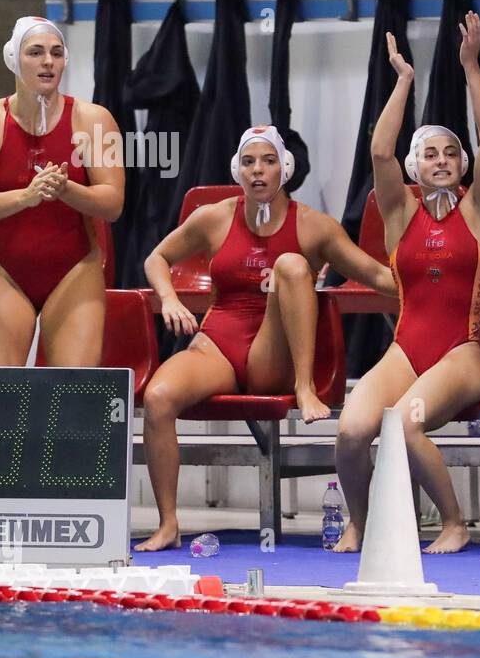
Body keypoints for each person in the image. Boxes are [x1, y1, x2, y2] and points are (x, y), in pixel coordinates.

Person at [137, 125, 396, 551]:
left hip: (273, 355)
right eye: (249, 162)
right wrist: (168, 299)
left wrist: (431, 282)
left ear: (285, 169)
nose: (259, 171)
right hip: (217, 345)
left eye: (269, 161)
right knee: (159, 398)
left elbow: (376, 276)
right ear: (237, 171)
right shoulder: (214, 217)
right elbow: (157, 257)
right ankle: (168, 524)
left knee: (292, 265)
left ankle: (304, 386)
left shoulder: (315, 227)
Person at [333, 11, 480, 555]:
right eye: (431, 154)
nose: (443, 160)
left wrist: (471, 68)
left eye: (452, 153)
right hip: (408, 348)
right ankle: (362, 523)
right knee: (351, 431)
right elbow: (380, 151)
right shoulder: (400, 213)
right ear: (415, 167)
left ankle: (454, 522)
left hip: (462, 352)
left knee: (405, 426)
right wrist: (404, 81)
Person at [0, 16, 124, 367]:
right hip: (5, 268)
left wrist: (66, 190)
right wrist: (26, 197)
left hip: (75, 267)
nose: (48, 61)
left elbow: (112, 203)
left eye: (56, 53)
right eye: (36, 52)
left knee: (72, 396)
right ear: (14, 59)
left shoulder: (93, 120)